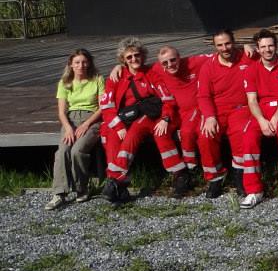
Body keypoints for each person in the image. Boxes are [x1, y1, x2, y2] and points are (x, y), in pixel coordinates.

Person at [99, 38, 186, 204]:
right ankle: (120, 184)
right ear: (123, 60)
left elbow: (167, 99)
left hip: (147, 116)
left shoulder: (152, 73)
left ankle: (115, 181)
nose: (134, 59)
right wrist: (118, 126)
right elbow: (106, 106)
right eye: (129, 57)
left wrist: (165, 118)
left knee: (134, 134)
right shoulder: (116, 77)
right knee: (110, 135)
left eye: (137, 55)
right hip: (123, 118)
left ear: (143, 55)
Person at [241, 29, 278, 209]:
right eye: (263, 47)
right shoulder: (251, 70)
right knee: (248, 139)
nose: (267, 50)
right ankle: (254, 190)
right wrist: (261, 120)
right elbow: (252, 100)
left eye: (271, 46)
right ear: (258, 49)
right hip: (261, 111)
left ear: (276, 46)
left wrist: (275, 118)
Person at [197, 29, 255, 199]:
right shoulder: (208, 66)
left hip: (241, 108)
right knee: (205, 137)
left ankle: (240, 175)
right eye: (220, 45)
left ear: (234, 42)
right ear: (215, 46)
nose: (225, 48)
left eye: (228, 43)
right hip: (217, 110)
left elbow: (269, 56)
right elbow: (203, 96)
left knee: (241, 135)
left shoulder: (247, 57)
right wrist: (209, 116)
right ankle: (215, 178)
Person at [146, 45, 212, 195]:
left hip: (194, 109)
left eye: (173, 60)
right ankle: (179, 173)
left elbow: (220, 54)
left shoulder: (193, 62)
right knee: (160, 133)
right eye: (165, 63)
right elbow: (136, 68)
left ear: (179, 57)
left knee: (187, 132)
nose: (170, 65)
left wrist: (245, 47)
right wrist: (119, 67)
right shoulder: (157, 68)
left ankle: (192, 168)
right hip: (173, 110)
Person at [46, 49, 104, 210]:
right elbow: (61, 112)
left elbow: (102, 107)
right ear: (71, 65)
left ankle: (82, 188)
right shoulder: (65, 82)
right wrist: (68, 128)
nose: (81, 66)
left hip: (92, 119)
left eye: (84, 62)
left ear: (89, 63)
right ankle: (59, 193)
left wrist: (86, 124)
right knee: (62, 151)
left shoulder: (97, 79)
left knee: (77, 151)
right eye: (77, 62)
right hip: (71, 119)